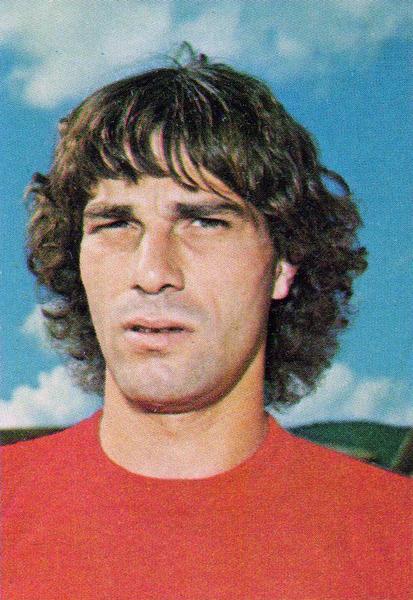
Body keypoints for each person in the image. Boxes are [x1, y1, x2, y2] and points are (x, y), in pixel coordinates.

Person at [3, 48, 411, 600]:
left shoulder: (397, 540)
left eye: (204, 222)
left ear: (283, 264)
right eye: (116, 224)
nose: (153, 272)